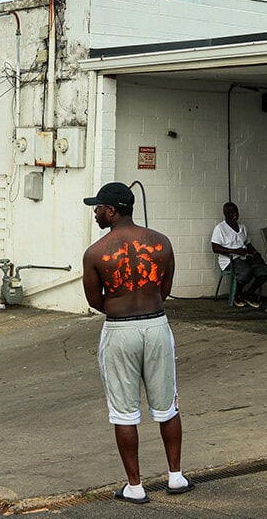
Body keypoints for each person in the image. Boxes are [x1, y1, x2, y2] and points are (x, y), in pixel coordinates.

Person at [82, 181, 194, 504]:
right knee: (167, 406)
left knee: (124, 413)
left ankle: (135, 486)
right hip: (156, 326)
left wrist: (121, 307)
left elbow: (94, 300)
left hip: (119, 330)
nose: (96, 212)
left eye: (99, 207)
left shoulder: (95, 253)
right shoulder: (161, 243)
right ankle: (175, 477)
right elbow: (165, 287)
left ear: (112, 210)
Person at [211, 202, 267, 308]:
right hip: (229, 260)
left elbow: (248, 244)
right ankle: (236, 295)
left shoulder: (242, 227)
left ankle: (248, 294)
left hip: (244, 257)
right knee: (246, 273)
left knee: (265, 271)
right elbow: (215, 248)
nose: (235, 215)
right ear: (225, 214)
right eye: (231, 213)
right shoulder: (220, 228)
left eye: (236, 212)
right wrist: (235, 252)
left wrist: (255, 253)